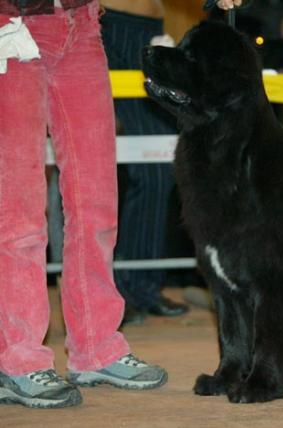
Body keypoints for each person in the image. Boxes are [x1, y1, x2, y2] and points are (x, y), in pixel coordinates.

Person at [0, 0, 167, 409]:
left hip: (81, 24)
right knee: (18, 209)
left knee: (96, 201)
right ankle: (16, 357)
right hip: (12, 26)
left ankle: (97, 348)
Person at [99, 0, 189, 326]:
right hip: (103, 26)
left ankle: (142, 286)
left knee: (158, 166)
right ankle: (108, 293)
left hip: (148, 30)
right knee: (92, 167)